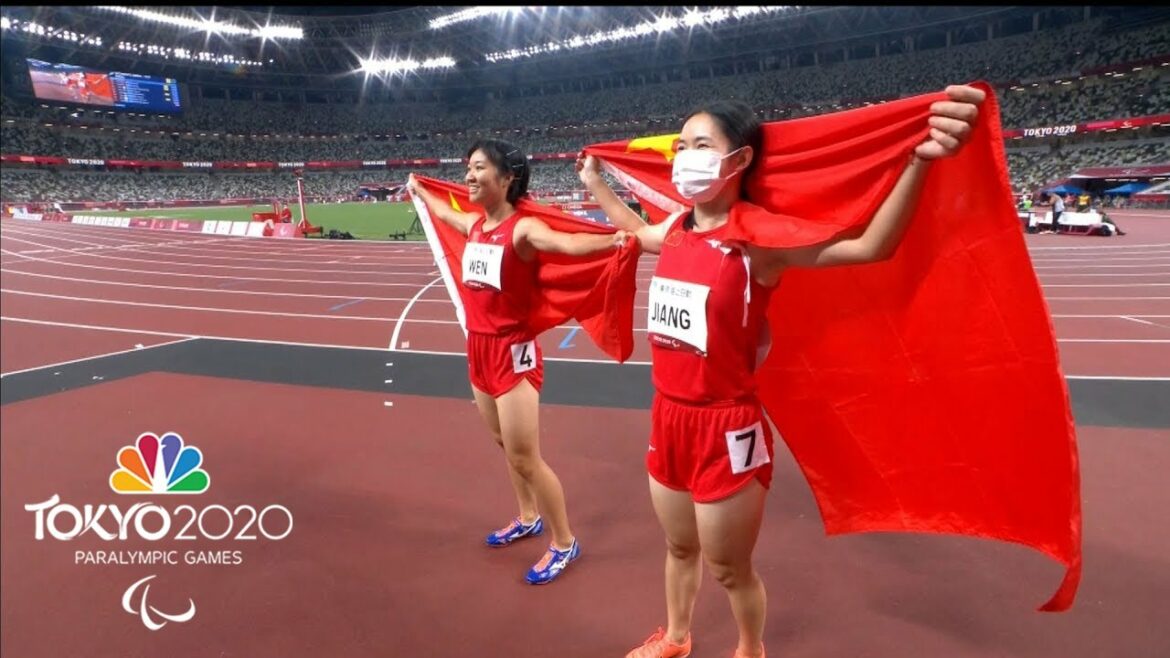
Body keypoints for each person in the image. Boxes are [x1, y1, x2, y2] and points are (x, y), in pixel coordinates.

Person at [576, 85, 985, 658]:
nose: (685, 156)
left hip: (726, 428)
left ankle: (750, 649)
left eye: (701, 145)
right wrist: (595, 182)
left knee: (728, 568)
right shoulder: (675, 229)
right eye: (681, 146)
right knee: (678, 548)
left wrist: (916, 160)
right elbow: (634, 233)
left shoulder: (757, 242)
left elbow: (871, 246)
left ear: (739, 158)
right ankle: (675, 637)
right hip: (667, 418)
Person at [406, 140, 627, 585]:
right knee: (504, 444)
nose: (468, 176)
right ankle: (528, 517)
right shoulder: (474, 225)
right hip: (478, 349)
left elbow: (566, 243)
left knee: (526, 457)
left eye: (478, 168)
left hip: (513, 353)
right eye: (468, 167)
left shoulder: (522, 230)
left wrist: (613, 240)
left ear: (507, 178)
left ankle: (564, 542)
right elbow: (445, 214)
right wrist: (421, 191)